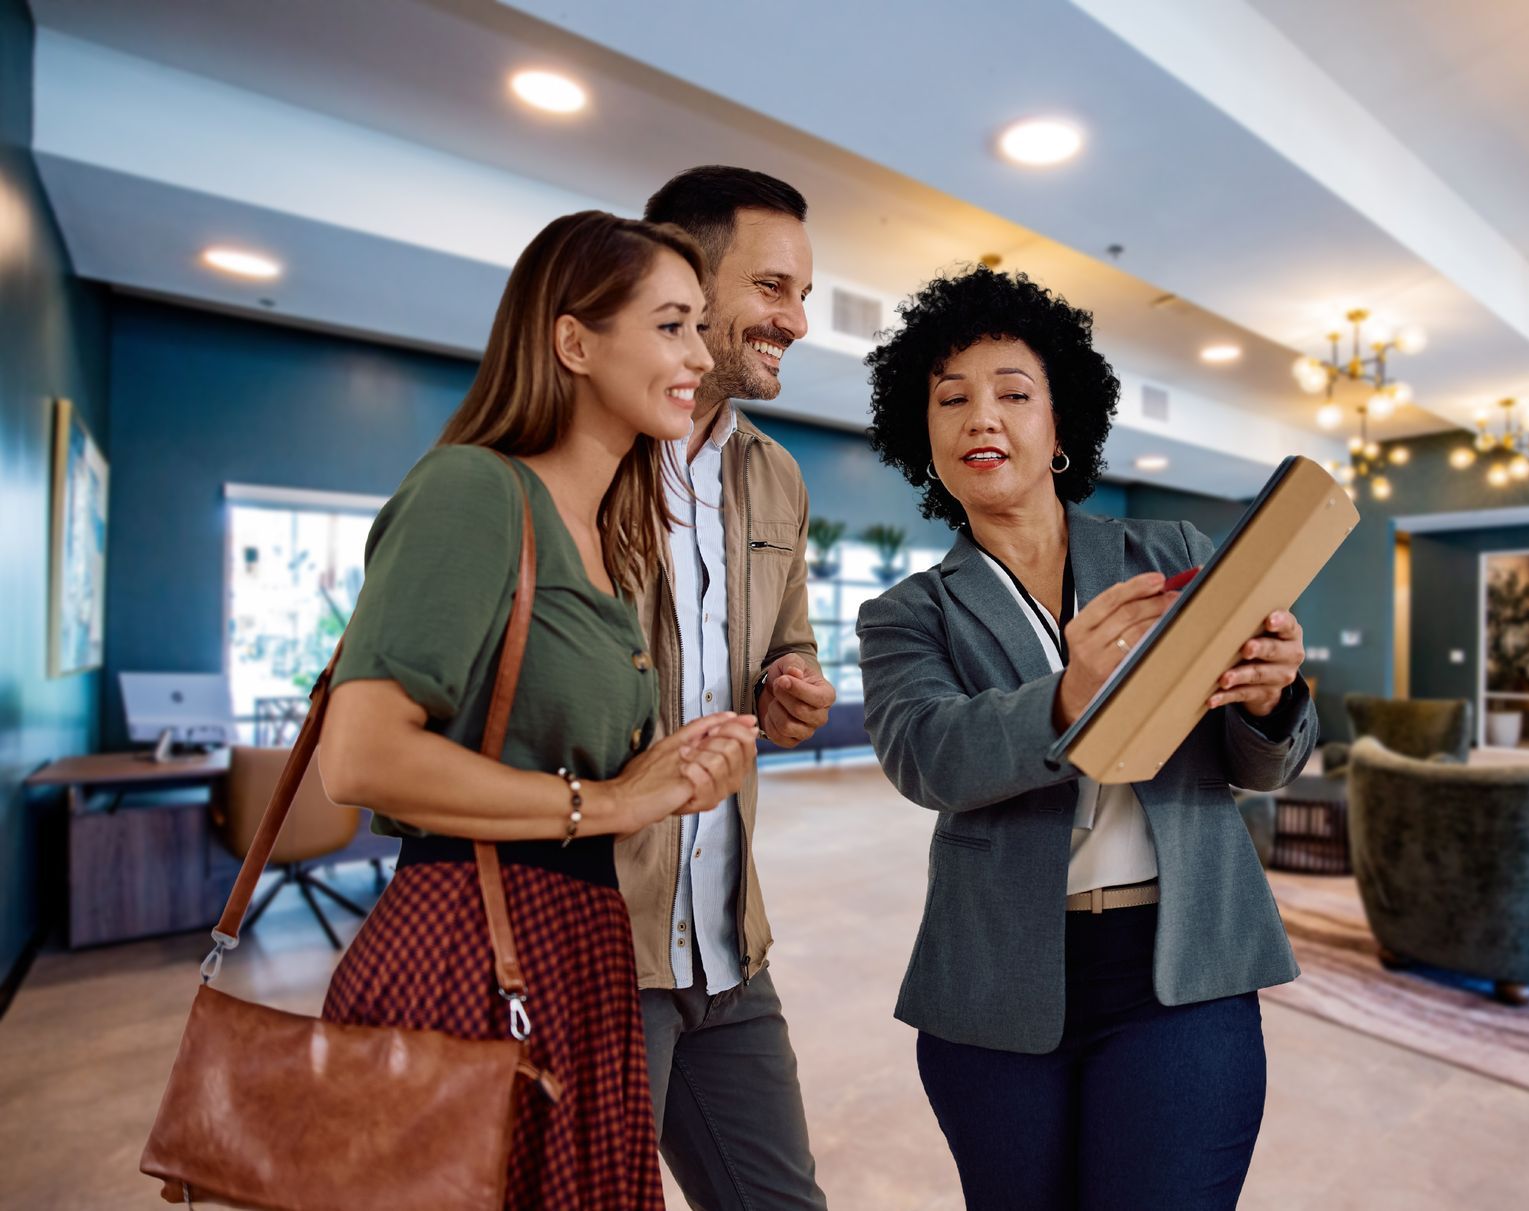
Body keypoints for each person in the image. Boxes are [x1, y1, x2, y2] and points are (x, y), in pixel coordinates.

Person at [315, 211, 761, 1211]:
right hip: (474, 947)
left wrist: (672, 774)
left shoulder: (607, 537)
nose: (700, 353)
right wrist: (608, 803)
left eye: (700, 327)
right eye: (673, 325)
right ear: (573, 341)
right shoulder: (474, 490)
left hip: (581, 944)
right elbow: (361, 755)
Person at [855, 266, 1318, 1210]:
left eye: (1013, 394)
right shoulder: (907, 613)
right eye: (952, 400)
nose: (982, 417)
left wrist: (1270, 700)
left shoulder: (1173, 559)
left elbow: (1257, 763)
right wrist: (1065, 696)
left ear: (1060, 427)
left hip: (1180, 969)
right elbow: (924, 754)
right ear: (926, 439)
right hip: (995, 984)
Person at [622, 165, 833, 1210]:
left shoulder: (777, 475)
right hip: (604, 947)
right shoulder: (579, 454)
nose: (797, 318)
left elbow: (780, 643)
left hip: (727, 945)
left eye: (803, 294)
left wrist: (791, 688)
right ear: (687, 275)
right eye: (776, 287)